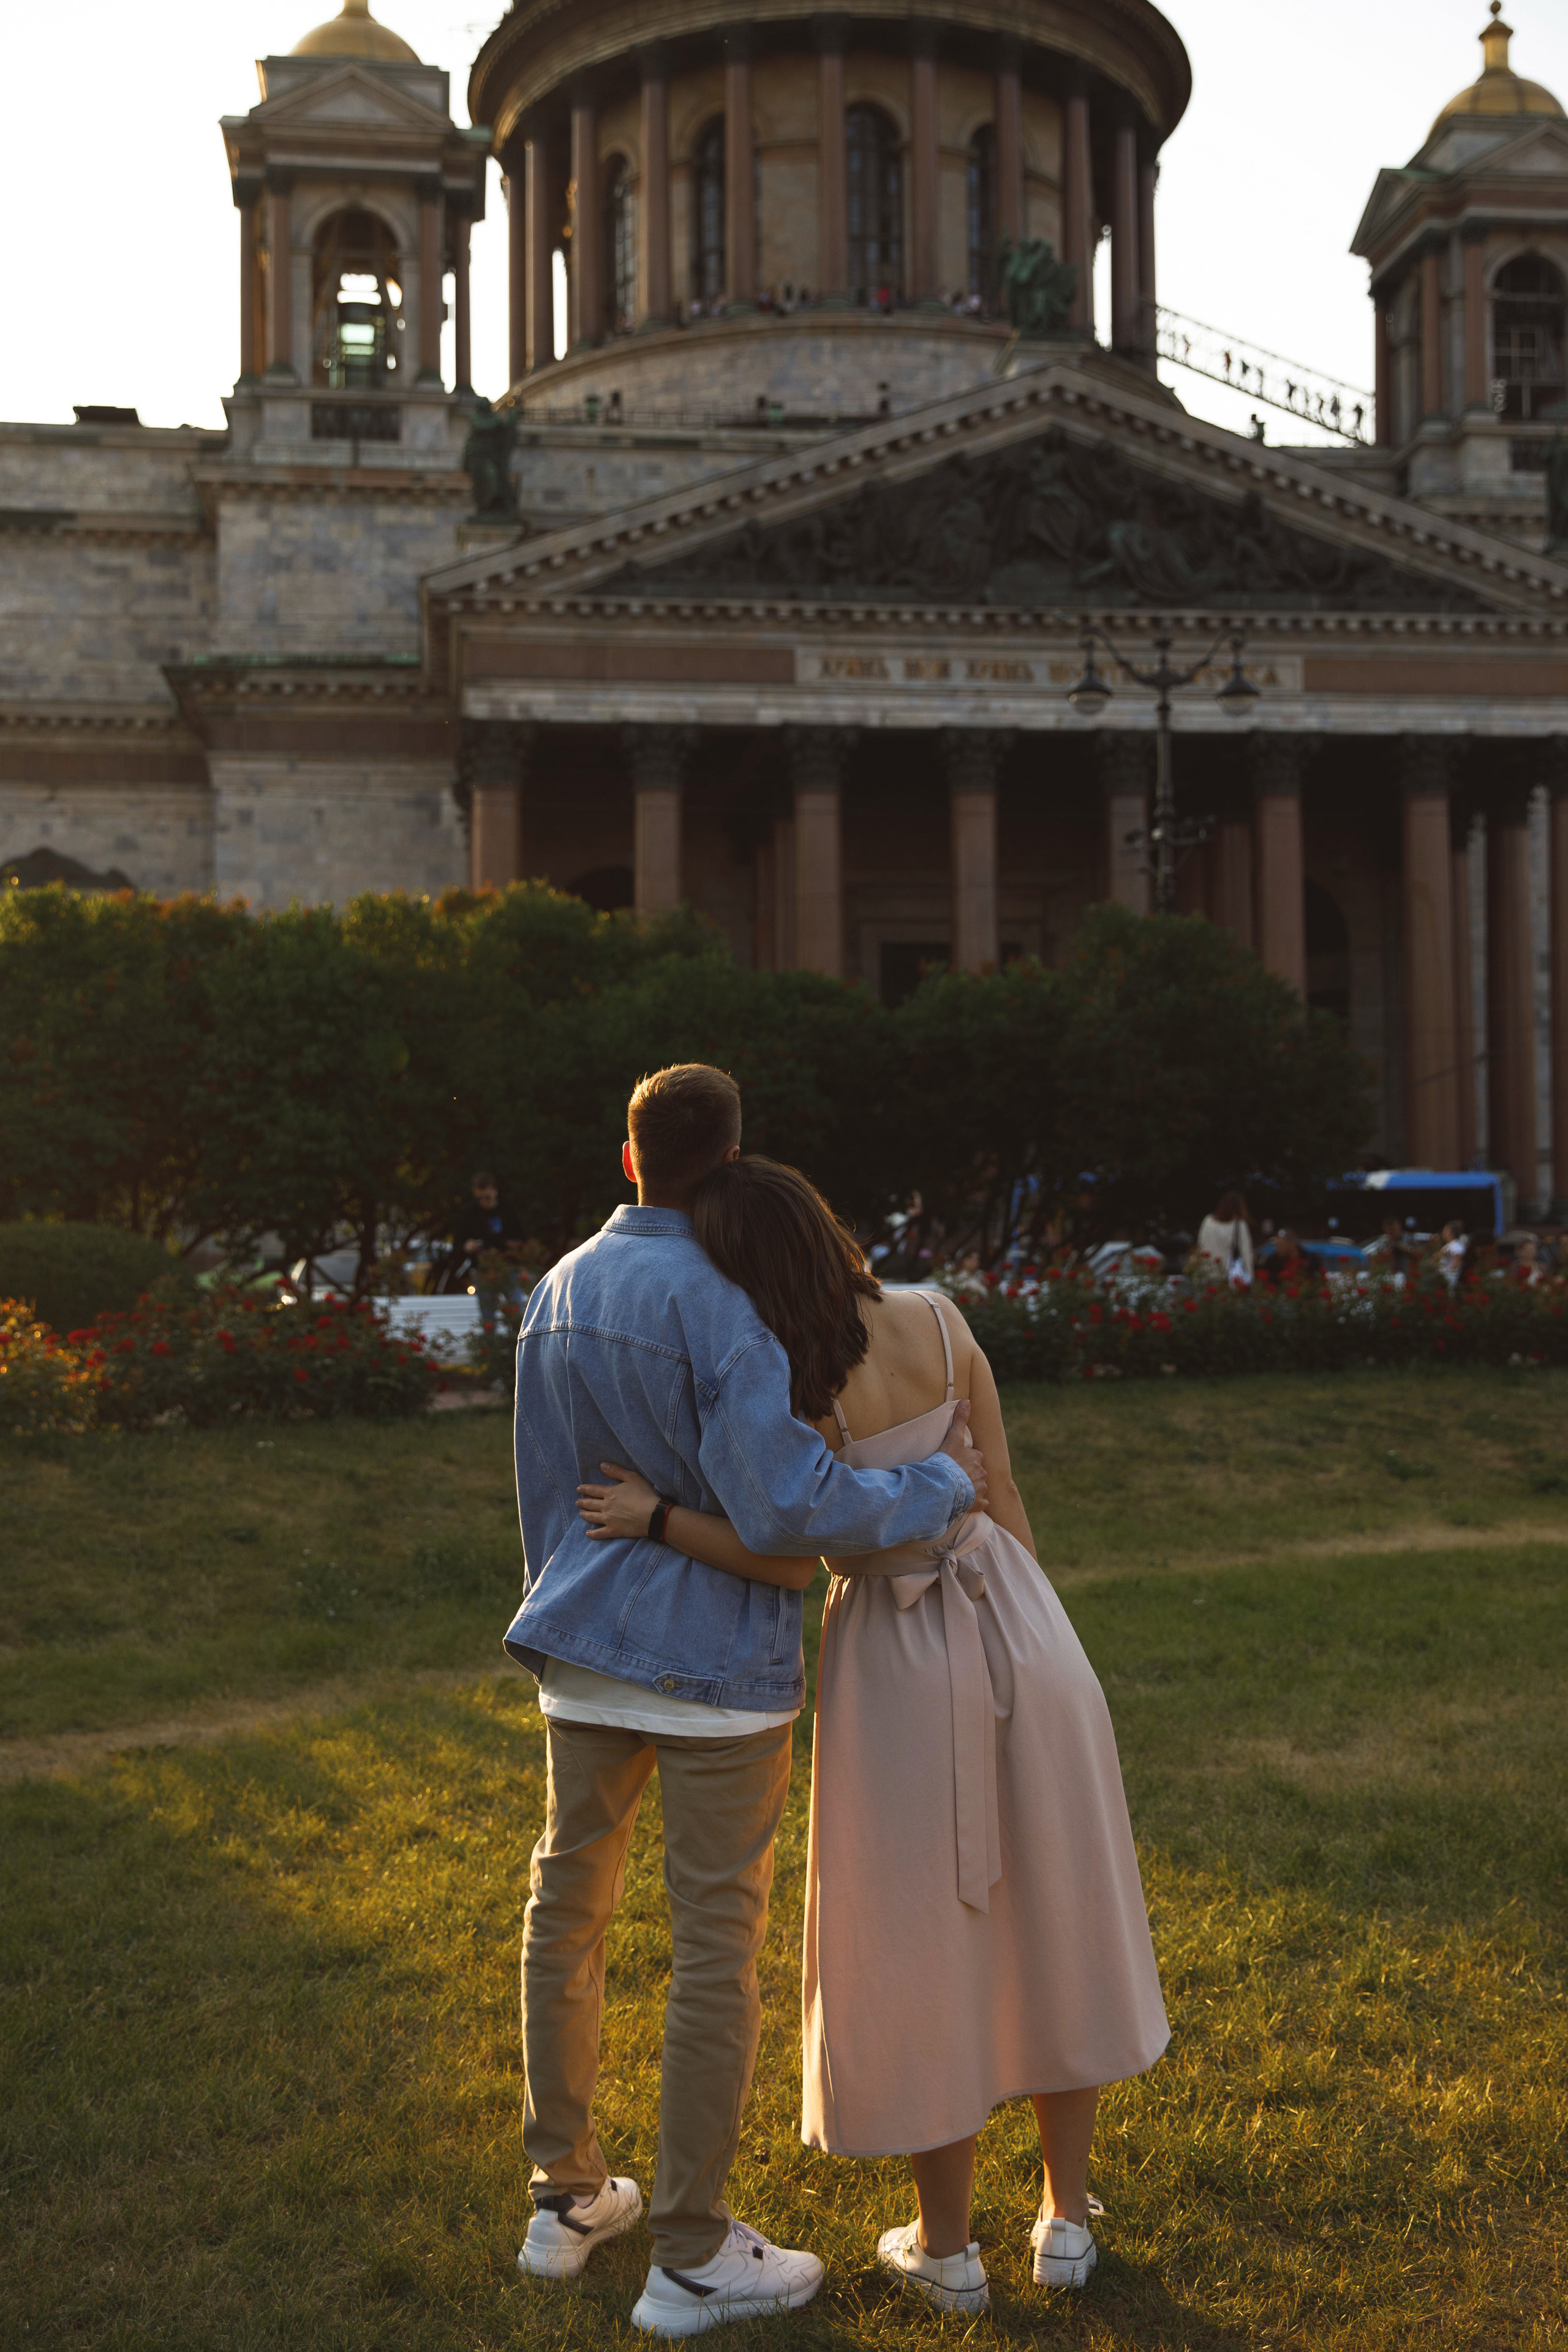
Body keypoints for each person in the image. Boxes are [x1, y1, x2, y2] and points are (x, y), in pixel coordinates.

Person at [579, 1156, 1168, 2317]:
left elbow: (790, 1557)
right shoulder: (942, 1319)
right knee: (1060, 1913)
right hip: (1027, 1634)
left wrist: (657, 1517)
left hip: (902, 1662)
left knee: (918, 1947)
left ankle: (948, 2252)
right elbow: (1004, 1498)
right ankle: (1064, 2221)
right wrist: (1038, 1652)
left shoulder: (792, 1381)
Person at [505, 1066, 984, 2336]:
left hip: (584, 1648)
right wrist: (936, 1490)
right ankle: (690, 2250)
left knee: (568, 1913)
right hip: (715, 1671)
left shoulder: (557, 1288)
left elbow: (544, 1491)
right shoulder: (722, 1303)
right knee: (713, 1955)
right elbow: (788, 1507)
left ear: (627, 1160)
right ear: (727, 1157)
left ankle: (563, 2197)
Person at [455, 1169, 530, 1333]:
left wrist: (508, 1246)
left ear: (494, 1191)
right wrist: (467, 1246)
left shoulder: (508, 1210)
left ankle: (517, 1349)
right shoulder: (471, 1214)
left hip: (508, 1268)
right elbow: (459, 1242)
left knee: (516, 1313)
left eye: (487, 1197)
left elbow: (522, 1238)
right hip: (483, 1271)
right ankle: (491, 1352)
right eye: (480, 1198)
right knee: (488, 1317)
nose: (484, 1202)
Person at [1195, 1190, 1254, 1284]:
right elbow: (1246, 1253)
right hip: (1228, 1277)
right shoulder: (1239, 1225)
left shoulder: (1208, 1221)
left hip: (1207, 1274)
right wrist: (1250, 1278)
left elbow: (1200, 1247)